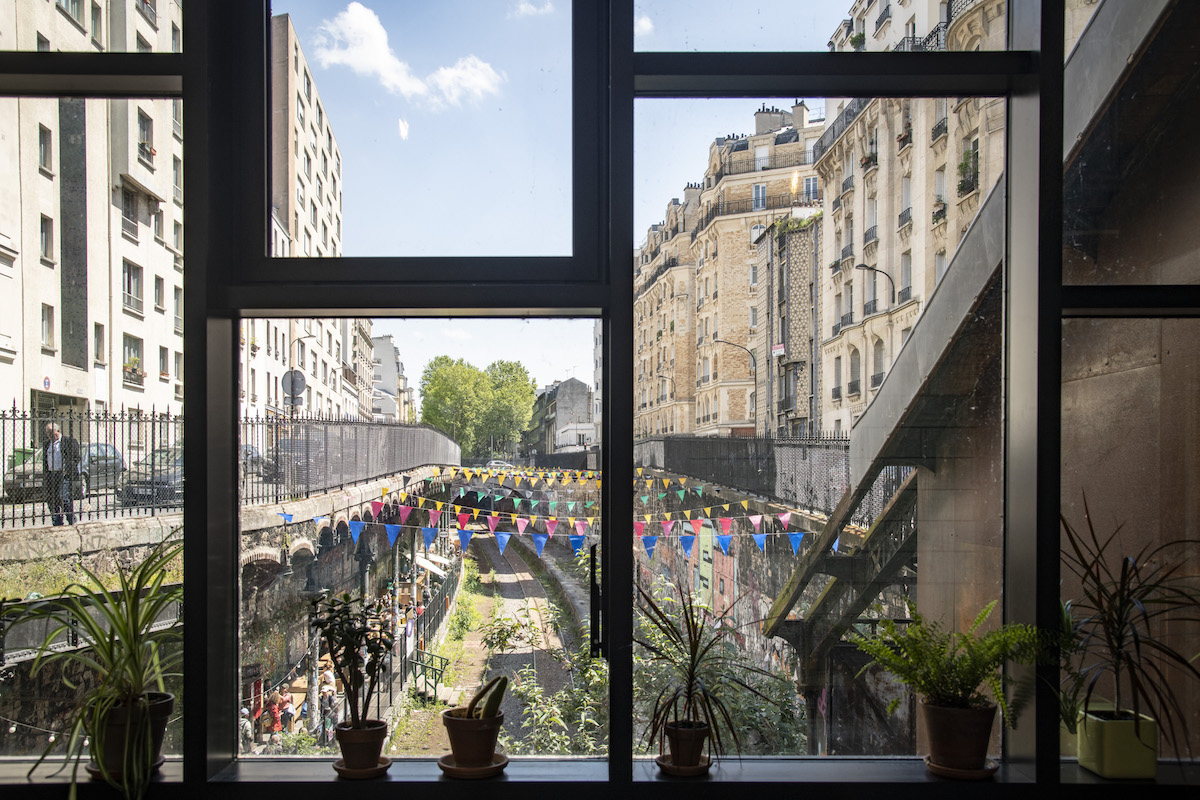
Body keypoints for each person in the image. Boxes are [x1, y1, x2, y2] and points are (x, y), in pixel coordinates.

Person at [42, 422, 80, 526]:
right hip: (51, 474)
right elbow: (45, 460)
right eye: (47, 432)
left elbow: (76, 458)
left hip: (63, 474)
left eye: (50, 432)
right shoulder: (47, 444)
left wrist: (68, 469)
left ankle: (71, 518)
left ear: (58, 431)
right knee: (51, 499)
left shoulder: (69, 441)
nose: (49, 434)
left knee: (63, 497)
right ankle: (57, 520)